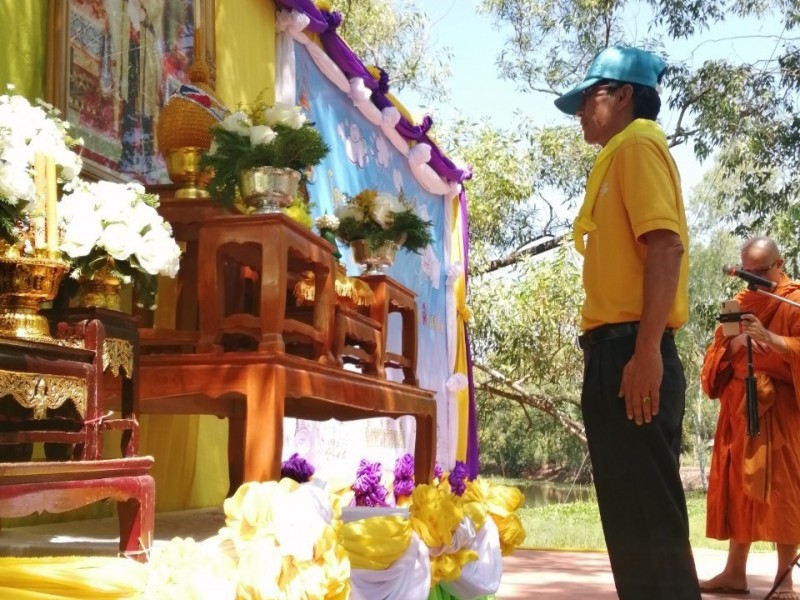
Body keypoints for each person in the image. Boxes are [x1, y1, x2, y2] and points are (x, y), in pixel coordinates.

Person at [554, 46, 701, 598]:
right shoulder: (618, 154)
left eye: (588, 98)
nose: (580, 112)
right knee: (633, 527)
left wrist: (645, 355)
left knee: (649, 532)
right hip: (614, 352)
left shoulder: (638, 144)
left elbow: (665, 247)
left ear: (622, 96)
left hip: (633, 353)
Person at [700, 236, 800, 597]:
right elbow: (715, 356)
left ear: (779, 264)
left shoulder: (794, 301)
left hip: (781, 409)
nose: (752, 280)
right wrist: (734, 345)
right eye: (746, 272)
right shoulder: (739, 304)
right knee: (738, 489)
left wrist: (771, 339)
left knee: (782, 491)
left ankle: (784, 578)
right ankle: (734, 572)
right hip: (740, 408)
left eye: (759, 272)